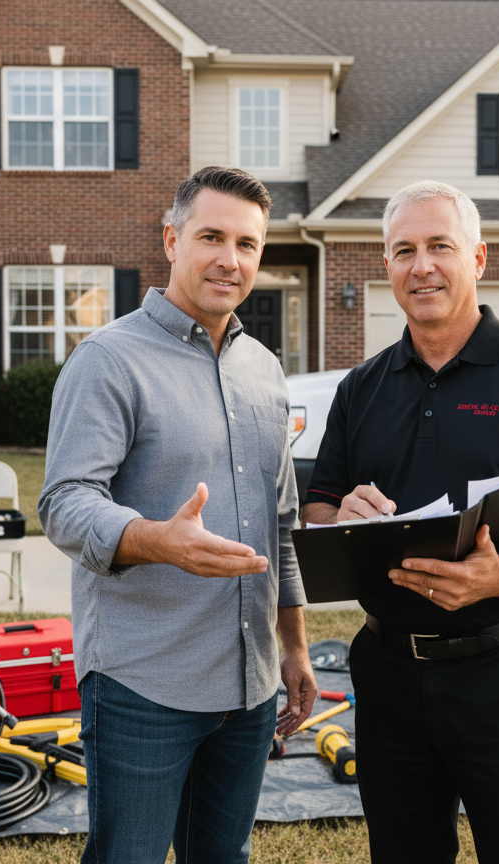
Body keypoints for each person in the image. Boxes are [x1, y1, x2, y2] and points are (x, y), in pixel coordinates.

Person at [300, 180, 499, 864]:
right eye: (403, 250)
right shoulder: (361, 388)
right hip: (389, 671)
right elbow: (318, 508)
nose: (422, 266)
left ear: (477, 258)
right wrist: (341, 514)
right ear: (386, 267)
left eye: (439, 246)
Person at [39, 165, 317, 864]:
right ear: (171, 239)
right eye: (212, 236)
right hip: (144, 682)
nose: (230, 258)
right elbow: (65, 502)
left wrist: (295, 649)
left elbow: (279, 525)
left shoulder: (264, 369)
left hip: (250, 687)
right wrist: (155, 540)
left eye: (248, 244)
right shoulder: (108, 360)